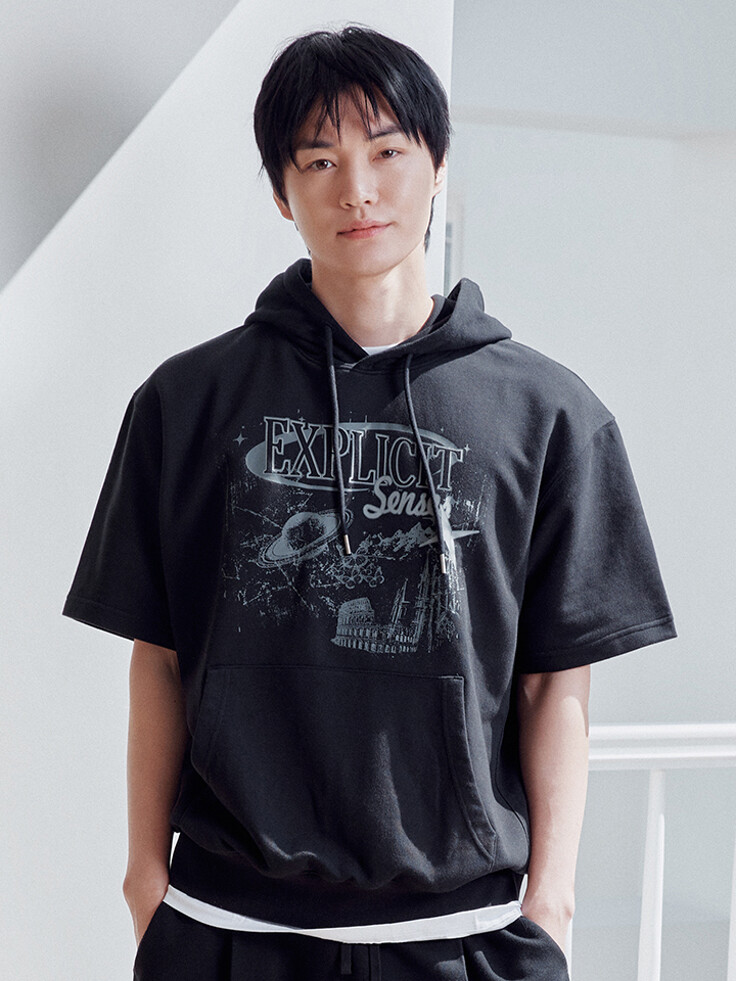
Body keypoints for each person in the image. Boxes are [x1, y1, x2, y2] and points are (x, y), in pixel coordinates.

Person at [63, 25, 676, 981]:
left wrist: (550, 905)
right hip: (227, 929)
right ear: (282, 192)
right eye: (320, 160)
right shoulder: (187, 404)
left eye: (387, 151)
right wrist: (144, 878)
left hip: (464, 937)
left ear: (438, 164)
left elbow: (554, 683)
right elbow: (161, 655)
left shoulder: (550, 415)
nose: (357, 189)